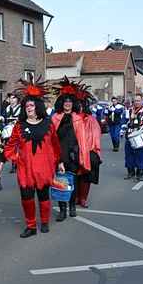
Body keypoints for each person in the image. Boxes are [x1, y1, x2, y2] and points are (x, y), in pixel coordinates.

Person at [4, 77, 62, 236]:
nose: (29, 107)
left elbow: (56, 145)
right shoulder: (19, 125)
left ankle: (44, 222)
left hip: (44, 169)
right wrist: (16, 158)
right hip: (26, 170)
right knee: (27, 198)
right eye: (26, 105)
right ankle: (30, 226)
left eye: (31, 104)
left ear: (37, 106)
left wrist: (59, 162)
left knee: (44, 197)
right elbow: (9, 146)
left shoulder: (48, 123)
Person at [51, 77, 93, 220]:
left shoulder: (78, 118)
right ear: (61, 103)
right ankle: (62, 210)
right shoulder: (55, 118)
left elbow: (82, 140)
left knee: (73, 182)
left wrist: (83, 155)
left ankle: (72, 206)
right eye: (65, 101)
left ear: (73, 103)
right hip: (59, 154)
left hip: (73, 155)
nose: (67, 104)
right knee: (60, 182)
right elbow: (51, 139)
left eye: (69, 101)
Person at [77, 88, 102, 208]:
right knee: (76, 176)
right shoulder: (72, 118)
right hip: (75, 151)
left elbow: (96, 136)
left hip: (88, 151)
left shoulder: (91, 120)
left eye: (82, 105)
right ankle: (76, 196)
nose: (80, 108)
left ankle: (83, 198)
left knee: (86, 177)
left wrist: (92, 150)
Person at [122, 93, 143, 182]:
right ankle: (130, 172)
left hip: (141, 136)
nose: (136, 102)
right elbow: (124, 122)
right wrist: (123, 127)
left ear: (142, 100)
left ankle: (140, 174)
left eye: (138, 100)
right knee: (129, 155)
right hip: (130, 135)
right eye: (135, 101)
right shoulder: (129, 111)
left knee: (141, 155)